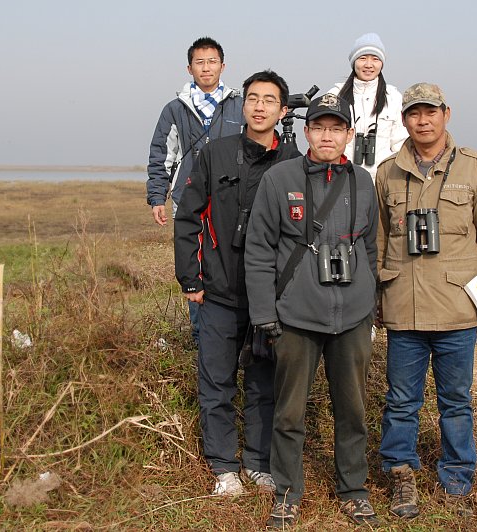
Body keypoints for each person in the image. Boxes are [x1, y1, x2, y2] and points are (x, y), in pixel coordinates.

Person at [374, 83, 477, 519]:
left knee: (456, 398)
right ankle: (401, 473)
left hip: (457, 305)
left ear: (446, 114)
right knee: (401, 399)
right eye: (414, 113)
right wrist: (376, 295)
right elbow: (378, 239)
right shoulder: (387, 172)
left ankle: (457, 477)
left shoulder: (474, 167)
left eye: (430, 112)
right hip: (404, 305)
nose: (423, 120)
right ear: (404, 119)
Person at [245, 94, 380, 528]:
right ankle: (286, 494)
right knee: (289, 413)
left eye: (336, 128)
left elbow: (372, 247)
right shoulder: (280, 177)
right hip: (296, 317)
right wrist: (266, 312)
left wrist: (370, 300)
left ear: (349, 134)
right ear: (306, 132)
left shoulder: (363, 182)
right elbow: (260, 250)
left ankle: (354, 490)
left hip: (353, 318)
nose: (327, 135)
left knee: (353, 410)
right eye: (319, 127)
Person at [174, 70, 300, 496]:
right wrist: (191, 278)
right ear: (243, 105)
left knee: (266, 381)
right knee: (217, 380)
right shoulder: (215, 154)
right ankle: (224, 467)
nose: (259, 106)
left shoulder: (292, 163)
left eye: (269, 100)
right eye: (252, 98)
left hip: (271, 298)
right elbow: (188, 217)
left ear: (284, 111)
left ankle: (259, 463)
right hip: (220, 291)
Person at [147, 36, 243, 348]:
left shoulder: (239, 105)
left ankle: (236, 337)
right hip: (189, 199)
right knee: (194, 263)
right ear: (189, 68)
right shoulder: (174, 109)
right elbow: (160, 154)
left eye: (212, 61)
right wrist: (157, 196)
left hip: (233, 200)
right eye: (199, 62)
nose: (206, 68)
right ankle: (202, 338)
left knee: (233, 261)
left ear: (223, 66)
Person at [327, 32, 407, 181]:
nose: (368, 65)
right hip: (342, 177)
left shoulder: (393, 96)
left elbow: (400, 143)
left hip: (383, 179)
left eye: (375, 59)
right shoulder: (335, 95)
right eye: (362, 58)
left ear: (382, 63)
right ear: (353, 62)